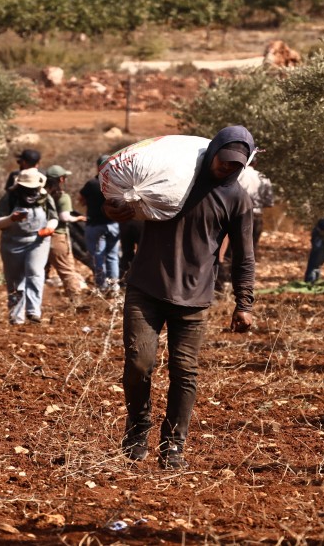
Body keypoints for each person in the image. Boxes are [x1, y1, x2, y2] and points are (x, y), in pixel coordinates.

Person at [108, 126, 256, 470]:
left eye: (237, 165)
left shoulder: (236, 198)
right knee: (139, 363)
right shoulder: (171, 179)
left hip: (194, 297)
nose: (228, 168)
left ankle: (173, 444)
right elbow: (127, 209)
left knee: (185, 372)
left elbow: (245, 257)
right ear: (212, 152)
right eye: (224, 161)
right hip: (145, 289)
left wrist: (244, 303)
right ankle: (138, 426)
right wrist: (112, 208)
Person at [0, 168, 58, 324]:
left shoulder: (44, 198)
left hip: (38, 241)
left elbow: (54, 217)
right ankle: (16, 316)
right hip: (12, 242)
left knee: (35, 272)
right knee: (15, 280)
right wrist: (11, 218)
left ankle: (33, 311)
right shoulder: (9, 198)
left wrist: (49, 228)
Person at [79, 155, 121, 294]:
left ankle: (102, 286)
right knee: (113, 256)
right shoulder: (117, 183)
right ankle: (114, 286)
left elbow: (81, 200)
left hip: (96, 225)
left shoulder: (91, 184)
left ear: (98, 167)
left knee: (98, 256)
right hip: (114, 225)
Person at [43, 164, 88, 294]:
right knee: (67, 270)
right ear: (61, 179)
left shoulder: (42, 194)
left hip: (41, 236)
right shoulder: (63, 196)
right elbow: (64, 217)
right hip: (57, 236)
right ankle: (75, 301)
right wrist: (78, 218)